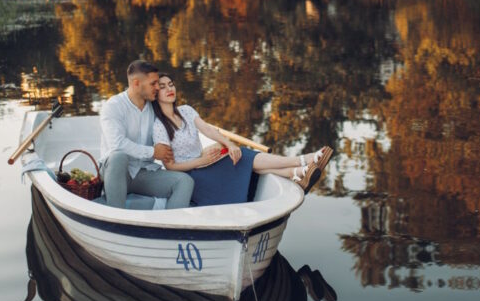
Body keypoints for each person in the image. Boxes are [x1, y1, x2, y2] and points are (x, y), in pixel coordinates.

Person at [150, 73, 333, 204]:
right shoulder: (159, 126)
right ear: (155, 94)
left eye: (171, 84)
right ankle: (301, 162)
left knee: (239, 155)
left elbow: (207, 130)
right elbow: (170, 167)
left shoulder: (186, 111)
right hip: (191, 176)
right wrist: (200, 161)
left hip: (205, 162)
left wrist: (229, 144)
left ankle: (296, 172)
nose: (169, 89)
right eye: (163, 87)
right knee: (243, 159)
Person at [99, 60, 194, 209]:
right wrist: (153, 152)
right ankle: (116, 220)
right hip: (116, 172)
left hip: (143, 173)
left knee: (185, 182)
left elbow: (174, 121)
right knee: (118, 156)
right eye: (153, 83)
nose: (157, 87)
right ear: (136, 83)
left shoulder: (155, 106)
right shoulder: (113, 106)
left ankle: (172, 228)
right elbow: (117, 144)